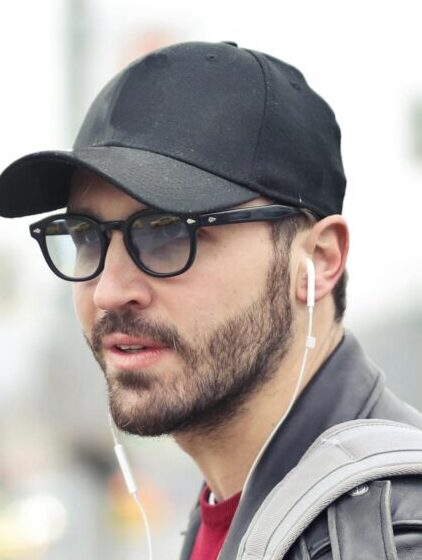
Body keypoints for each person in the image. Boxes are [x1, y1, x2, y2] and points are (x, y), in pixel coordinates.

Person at [1, 41, 421, 559]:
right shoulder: (243, 508)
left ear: (317, 261)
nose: (109, 290)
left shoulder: (383, 538)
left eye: (168, 232)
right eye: (86, 236)